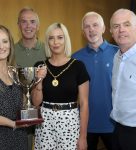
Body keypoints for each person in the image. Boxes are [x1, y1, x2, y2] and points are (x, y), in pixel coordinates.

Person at [31, 23, 89, 150]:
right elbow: (35, 103)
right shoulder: (40, 65)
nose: (55, 42)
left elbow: (84, 103)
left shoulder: (78, 66)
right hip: (44, 122)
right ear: (47, 42)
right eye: (51, 38)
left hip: (69, 122)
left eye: (60, 37)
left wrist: (83, 137)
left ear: (66, 40)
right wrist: (39, 81)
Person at [72, 12, 118, 150]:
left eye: (95, 25)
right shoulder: (75, 58)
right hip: (86, 125)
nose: (91, 29)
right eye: (87, 26)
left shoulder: (118, 53)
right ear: (83, 32)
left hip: (113, 124)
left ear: (103, 28)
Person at [110, 8, 136, 150]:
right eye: (116, 26)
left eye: (126, 24)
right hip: (118, 129)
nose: (121, 30)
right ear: (111, 32)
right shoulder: (116, 57)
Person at [14, 7, 46, 150]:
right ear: (18, 25)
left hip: (44, 117)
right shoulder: (9, 51)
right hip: (15, 116)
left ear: (38, 26)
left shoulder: (48, 50)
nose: (28, 26)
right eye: (24, 22)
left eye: (32, 22)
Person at [0, 25, 28, 150]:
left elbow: (23, 102)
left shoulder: (17, 72)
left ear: (10, 44)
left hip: (20, 137)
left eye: (5, 41)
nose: (1, 46)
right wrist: (14, 124)